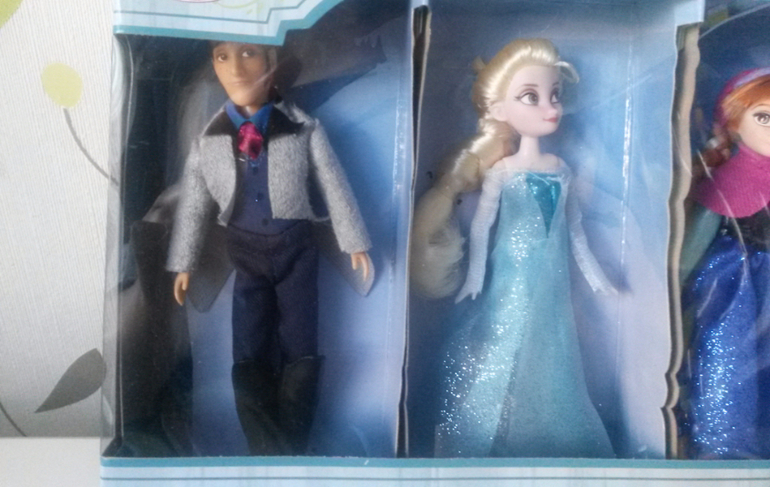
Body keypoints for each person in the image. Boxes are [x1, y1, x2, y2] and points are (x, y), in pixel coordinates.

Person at [411, 38, 615, 458]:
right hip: (513, 274)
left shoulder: (561, 169)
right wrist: (474, 276)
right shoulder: (502, 171)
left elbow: (575, 230)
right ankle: (481, 433)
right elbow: (482, 226)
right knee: (504, 340)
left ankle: (549, 432)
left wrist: (597, 277)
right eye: (531, 97)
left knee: (552, 347)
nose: (550, 107)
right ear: (500, 109)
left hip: (553, 279)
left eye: (555, 95)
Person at [167, 41, 372, 455]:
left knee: (301, 341)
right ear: (212, 65)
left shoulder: (304, 128)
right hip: (245, 255)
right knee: (248, 345)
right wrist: (184, 262)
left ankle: (292, 447)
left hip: (296, 249)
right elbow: (194, 204)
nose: (236, 69)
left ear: (272, 62)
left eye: (249, 54)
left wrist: (353, 241)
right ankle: (263, 448)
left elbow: (333, 182)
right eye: (222, 57)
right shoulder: (209, 140)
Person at [678, 68, 770, 459]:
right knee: (727, 357)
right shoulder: (726, 180)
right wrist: (677, 283)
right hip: (734, 286)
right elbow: (695, 243)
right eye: (763, 117)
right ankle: (722, 441)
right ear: (733, 122)